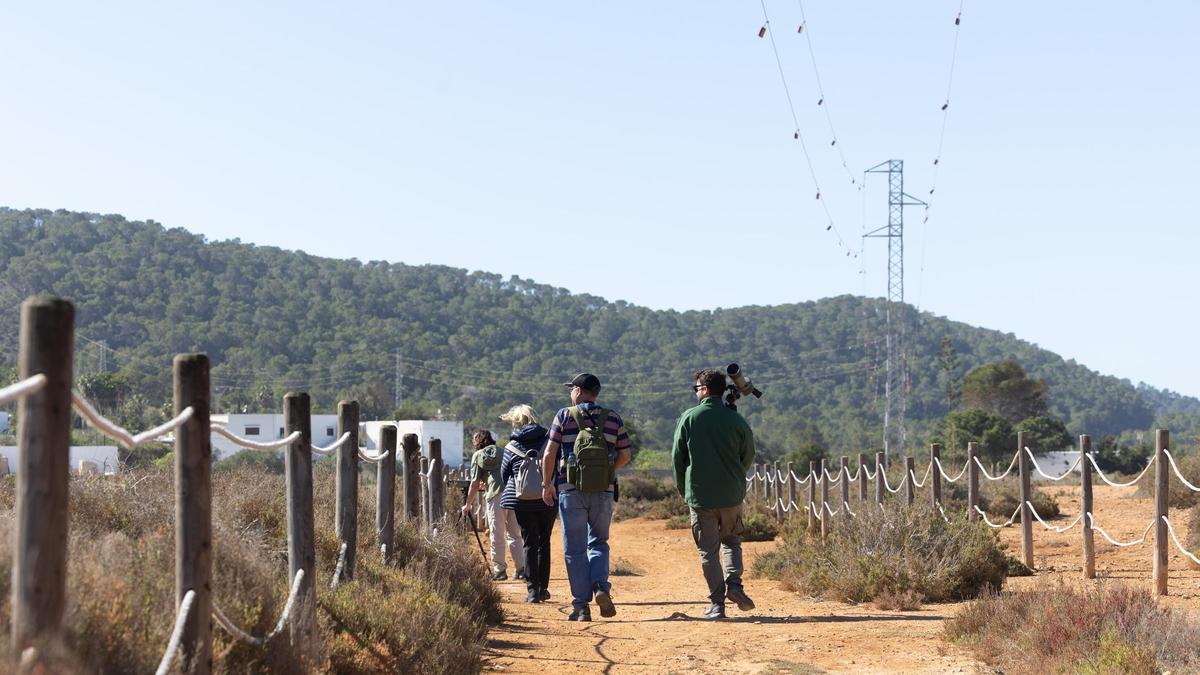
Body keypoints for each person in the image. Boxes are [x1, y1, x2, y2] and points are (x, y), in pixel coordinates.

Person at [540, 373, 632, 622]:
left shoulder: (564, 415)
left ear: (579, 391)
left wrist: (547, 484)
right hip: (602, 491)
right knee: (599, 542)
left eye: (572, 389)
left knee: (574, 550)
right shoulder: (612, 417)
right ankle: (601, 586)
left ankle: (581, 607)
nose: (570, 393)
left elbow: (549, 453)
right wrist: (608, 473)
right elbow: (625, 454)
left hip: (570, 491)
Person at [671, 368, 757, 619]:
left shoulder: (689, 418)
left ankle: (717, 604)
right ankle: (735, 585)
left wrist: (682, 487)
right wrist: (735, 475)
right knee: (731, 541)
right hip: (731, 494)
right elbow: (749, 453)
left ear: (705, 390)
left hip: (700, 496)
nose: (696, 392)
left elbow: (678, 458)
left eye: (697, 388)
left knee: (708, 551)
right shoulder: (736, 420)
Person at [498, 404, 557, 603]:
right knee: (544, 541)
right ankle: (543, 588)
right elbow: (556, 464)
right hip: (547, 497)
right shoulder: (549, 440)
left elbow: (504, 475)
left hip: (521, 501)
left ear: (515, 422)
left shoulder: (511, 446)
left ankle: (532, 592)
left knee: (529, 542)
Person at [462, 429, 526, 581]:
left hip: (496, 497)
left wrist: (467, 504)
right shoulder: (503, 451)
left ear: (478, 441)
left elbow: (474, 483)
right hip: (512, 494)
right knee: (515, 534)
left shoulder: (478, 456)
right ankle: (521, 569)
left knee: (497, 534)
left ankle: (500, 570)